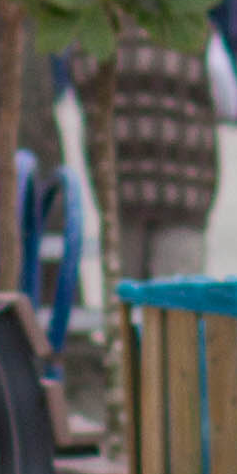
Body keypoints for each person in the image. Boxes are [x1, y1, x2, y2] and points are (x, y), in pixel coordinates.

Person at [86, 37, 222, 287]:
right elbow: (229, 101)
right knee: (177, 310)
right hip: (184, 191)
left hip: (120, 189)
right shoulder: (191, 29)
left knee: (126, 306)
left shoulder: (95, 28)